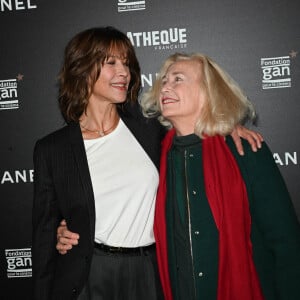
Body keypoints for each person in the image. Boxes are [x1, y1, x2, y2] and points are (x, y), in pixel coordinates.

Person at [32, 26, 262, 300]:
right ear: (82, 68)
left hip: (148, 271)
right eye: (112, 63)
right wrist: (62, 230)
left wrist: (228, 127)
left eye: (127, 64)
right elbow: (45, 236)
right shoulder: (52, 149)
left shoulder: (149, 128)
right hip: (89, 275)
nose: (124, 73)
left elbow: (194, 123)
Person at [140, 52, 300, 300]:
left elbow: (285, 242)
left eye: (178, 79)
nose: (166, 87)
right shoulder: (155, 156)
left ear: (208, 92)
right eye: (164, 81)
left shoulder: (243, 150)